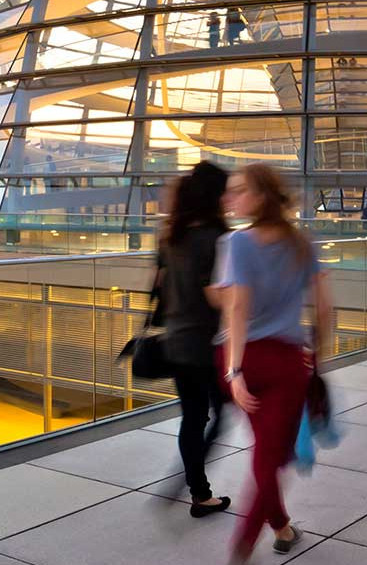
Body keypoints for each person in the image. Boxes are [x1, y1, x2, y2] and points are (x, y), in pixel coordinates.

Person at [216, 164, 334, 564]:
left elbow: (237, 307)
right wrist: (317, 351)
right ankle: (247, 544)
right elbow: (325, 307)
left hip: (243, 358)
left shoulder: (238, 243)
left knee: (264, 454)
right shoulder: (302, 243)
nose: (231, 198)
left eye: (239, 191)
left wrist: (234, 371)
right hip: (286, 362)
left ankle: (275, 528)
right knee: (268, 457)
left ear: (263, 196)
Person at [158, 162, 232, 518]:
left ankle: (197, 491)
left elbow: (159, 283)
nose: (231, 199)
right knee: (221, 414)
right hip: (207, 345)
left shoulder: (172, 234)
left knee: (193, 417)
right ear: (214, 196)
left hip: (177, 340)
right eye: (227, 192)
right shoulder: (216, 238)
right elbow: (215, 294)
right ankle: (194, 484)